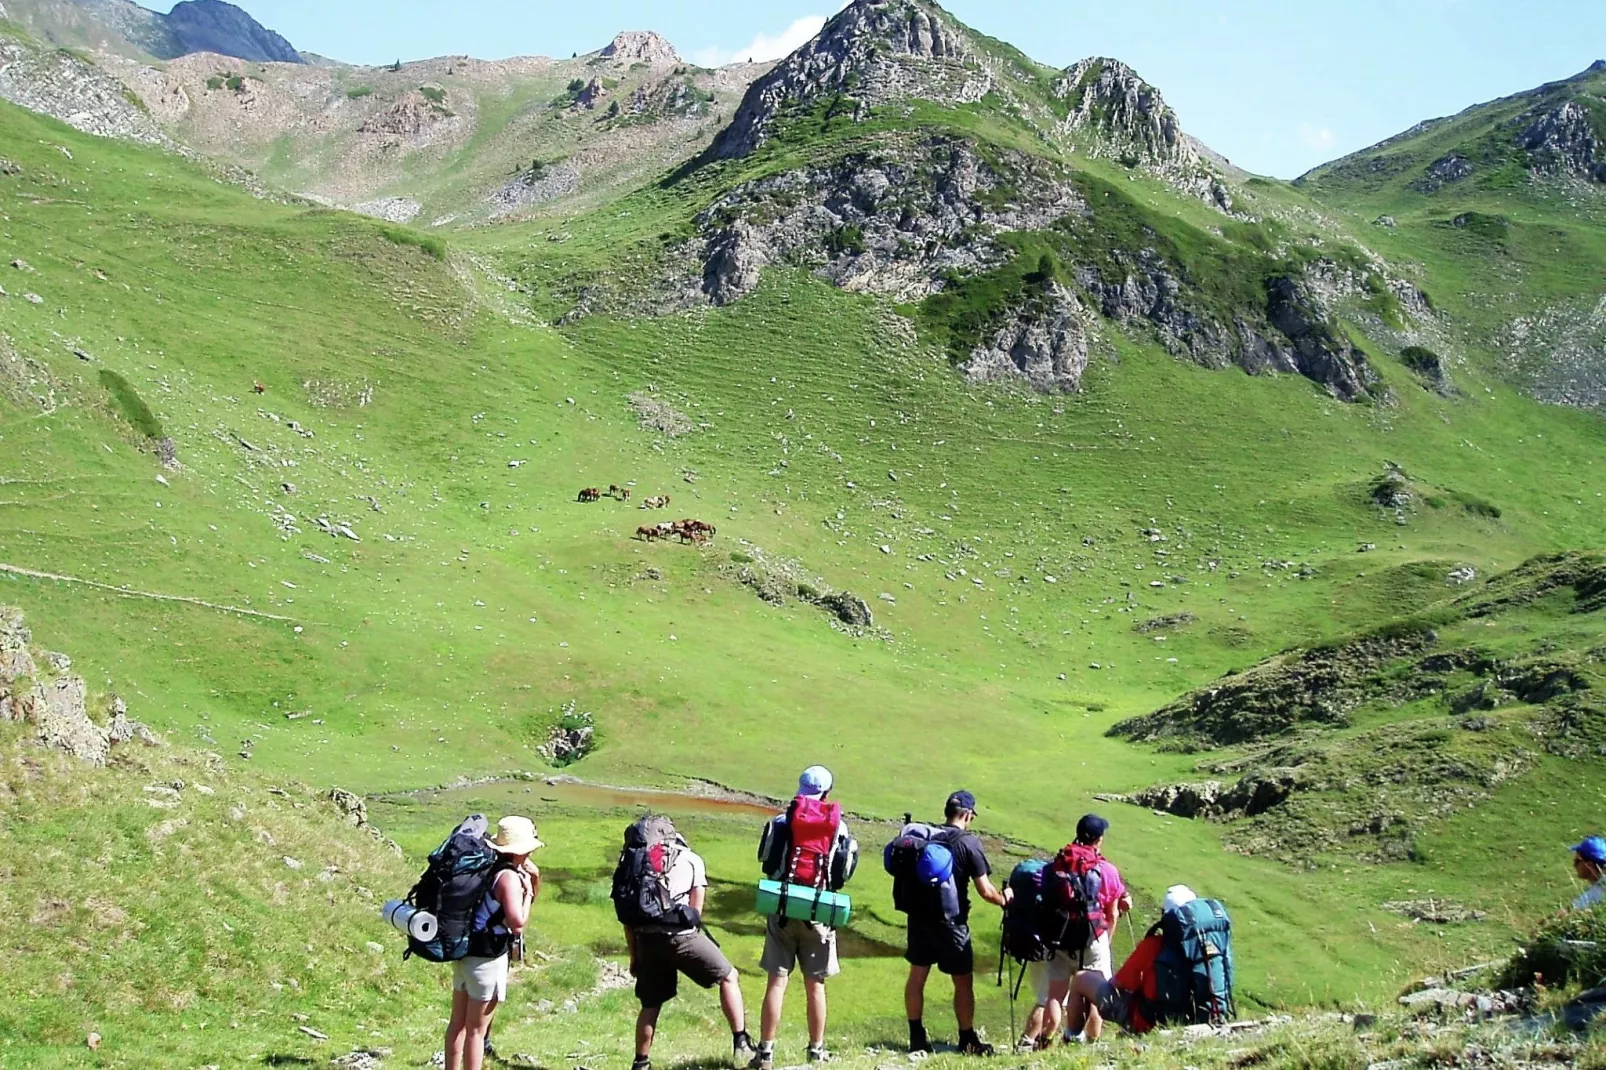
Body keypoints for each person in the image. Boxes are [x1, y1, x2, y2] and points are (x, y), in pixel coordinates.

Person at [623, 818, 756, 1070]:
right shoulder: (692, 860)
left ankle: (641, 1062)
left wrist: (635, 957)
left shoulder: (634, 865)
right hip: (681, 937)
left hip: (646, 941)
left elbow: (628, 922)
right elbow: (696, 913)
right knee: (729, 975)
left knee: (651, 1004)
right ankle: (741, 1040)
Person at [753, 766, 852, 1069]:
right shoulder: (840, 828)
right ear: (827, 793)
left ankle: (766, 1053)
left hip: (782, 908)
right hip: (819, 911)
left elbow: (765, 861)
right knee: (815, 985)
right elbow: (843, 872)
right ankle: (816, 1051)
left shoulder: (782, 821)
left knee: (777, 982)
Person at [905, 790, 1012, 1056]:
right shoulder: (969, 843)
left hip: (919, 919)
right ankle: (967, 1039)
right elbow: (986, 891)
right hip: (952, 924)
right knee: (962, 983)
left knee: (917, 977)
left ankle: (916, 1037)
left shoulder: (927, 837)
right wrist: (1005, 900)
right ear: (966, 814)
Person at [1016, 814, 1132, 1052]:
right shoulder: (1106, 870)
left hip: (1059, 940)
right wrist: (1104, 942)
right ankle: (1090, 1044)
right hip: (1092, 940)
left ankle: (1044, 1041)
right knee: (1096, 994)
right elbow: (1111, 914)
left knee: (1055, 996)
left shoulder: (1056, 866)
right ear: (1098, 840)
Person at [445, 815, 542, 1070]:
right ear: (524, 849)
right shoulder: (509, 879)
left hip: (465, 950)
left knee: (457, 1024)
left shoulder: (487, 866)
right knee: (477, 1030)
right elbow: (517, 922)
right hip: (487, 959)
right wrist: (529, 891)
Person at [1062, 885, 1197, 1044]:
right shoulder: (1206, 949)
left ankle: (1072, 1039)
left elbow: (1120, 983)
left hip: (1144, 1021)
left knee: (1080, 979)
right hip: (1189, 1019)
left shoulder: (1153, 945)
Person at [1571, 836, 1606, 910]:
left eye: (1577, 861)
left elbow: (1566, 913)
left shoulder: (1599, 891)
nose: (1574, 865)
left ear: (1589, 865)